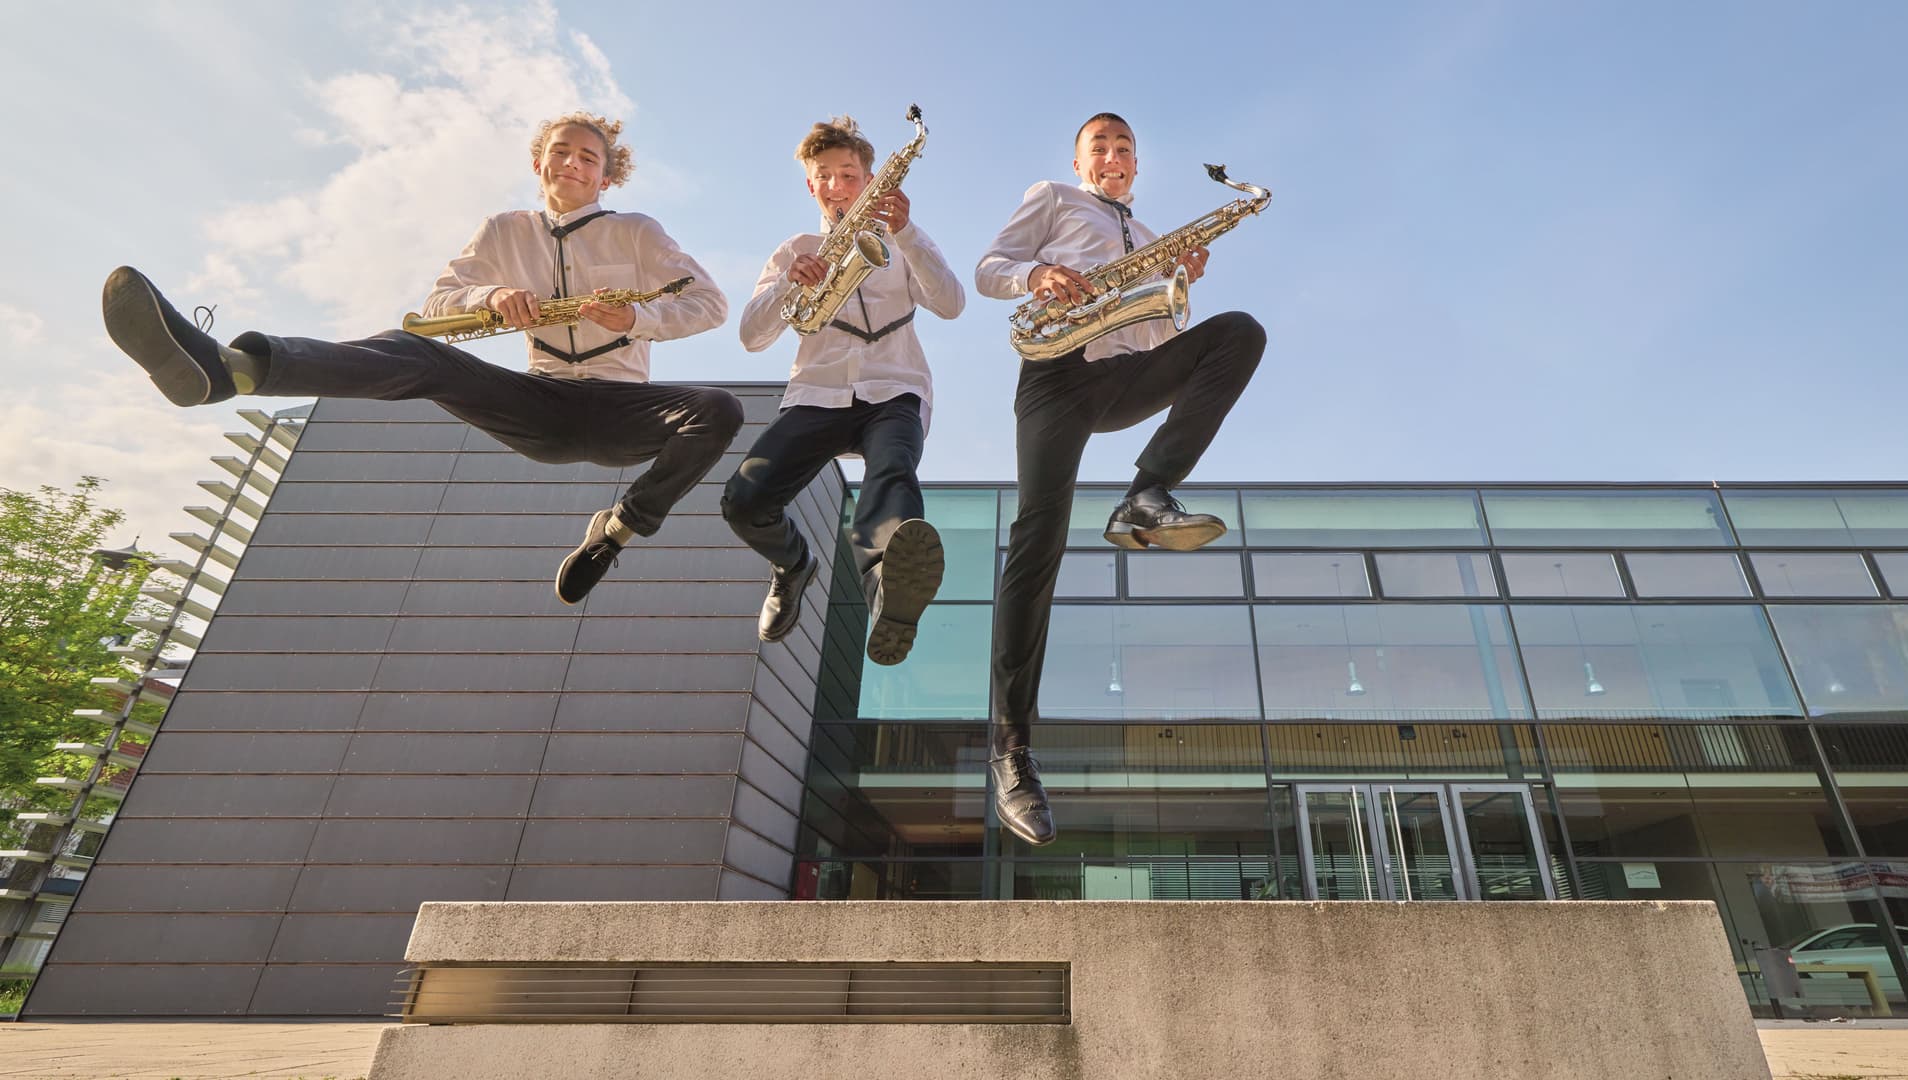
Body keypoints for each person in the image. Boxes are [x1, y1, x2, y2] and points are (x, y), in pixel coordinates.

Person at [101, 111, 737, 606]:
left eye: (588, 157)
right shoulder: (503, 231)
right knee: (418, 354)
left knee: (718, 408)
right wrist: (491, 296)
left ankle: (619, 530)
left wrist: (637, 317)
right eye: (560, 152)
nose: (573, 163)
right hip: (540, 402)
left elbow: (709, 304)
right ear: (539, 163)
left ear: (607, 175)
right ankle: (235, 370)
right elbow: (438, 306)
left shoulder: (638, 232)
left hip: (624, 404)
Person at [974, 112, 1267, 845]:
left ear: (1136, 166)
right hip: (1055, 371)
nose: (1113, 154)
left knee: (1238, 332)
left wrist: (1175, 282)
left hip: (1124, 371)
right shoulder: (1054, 198)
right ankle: (1011, 751)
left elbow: (1158, 336)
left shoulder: (1151, 232)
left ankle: (1147, 493)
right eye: (1100, 146)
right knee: (1037, 539)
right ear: (1081, 161)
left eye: (1124, 147)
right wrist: (1037, 274)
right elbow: (989, 269)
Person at [724, 116, 964, 662]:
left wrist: (907, 232)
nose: (837, 187)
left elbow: (951, 304)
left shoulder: (903, 242)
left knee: (893, 469)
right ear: (811, 185)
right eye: (825, 177)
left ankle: (886, 590)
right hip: (816, 393)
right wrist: (792, 279)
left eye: (849, 175)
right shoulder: (794, 248)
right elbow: (750, 337)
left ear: (871, 179)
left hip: (894, 388)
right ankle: (792, 564)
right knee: (744, 501)